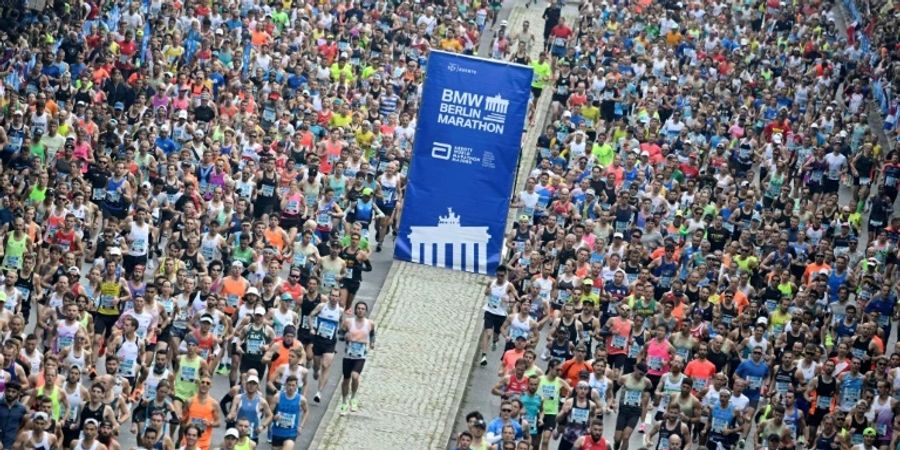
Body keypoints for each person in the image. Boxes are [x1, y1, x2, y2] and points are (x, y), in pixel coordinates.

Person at [338, 301, 375, 415]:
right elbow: (340, 335)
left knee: (355, 376)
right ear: (355, 310)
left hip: (360, 355)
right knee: (346, 379)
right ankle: (344, 402)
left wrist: (372, 343)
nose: (360, 310)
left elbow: (372, 334)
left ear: (366, 311)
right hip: (348, 355)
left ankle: (353, 397)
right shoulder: (348, 322)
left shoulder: (370, 323)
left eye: (363, 309)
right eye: (358, 308)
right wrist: (345, 337)